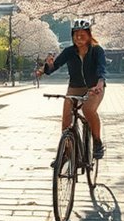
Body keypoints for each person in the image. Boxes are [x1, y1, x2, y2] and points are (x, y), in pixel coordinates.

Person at [37, 19, 107, 159]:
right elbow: (54, 67)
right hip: (74, 87)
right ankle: (67, 152)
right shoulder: (69, 51)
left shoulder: (97, 50)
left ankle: (97, 142)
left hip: (94, 87)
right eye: (76, 34)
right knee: (66, 120)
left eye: (82, 34)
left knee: (88, 110)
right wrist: (46, 67)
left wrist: (100, 83)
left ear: (89, 35)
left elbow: (101, 69)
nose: (79, 38)